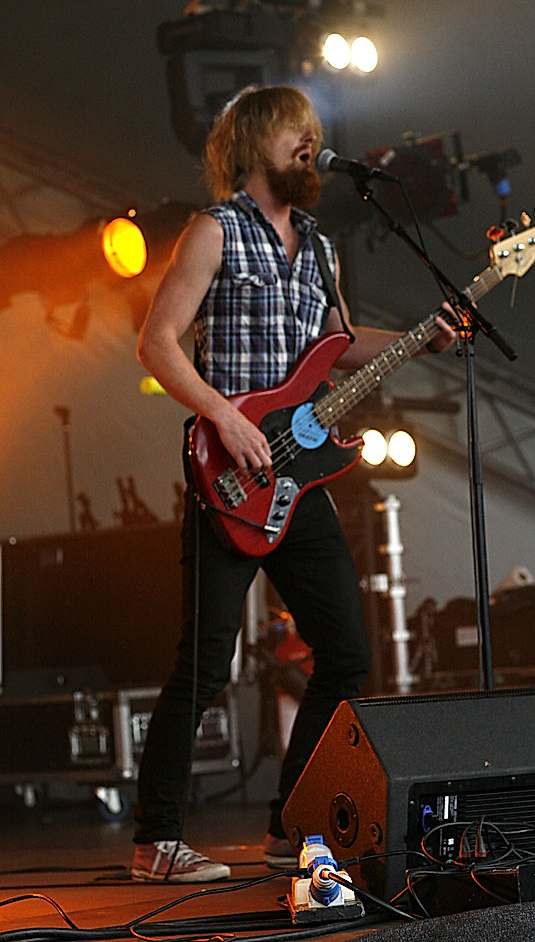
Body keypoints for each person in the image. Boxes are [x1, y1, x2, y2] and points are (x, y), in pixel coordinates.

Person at [131, 84, 459, 882]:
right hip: (229, 468)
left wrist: (423, 338)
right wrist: (225, 417)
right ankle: (155, 842)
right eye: (293, 131)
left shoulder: (316, 243)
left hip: (300, 479)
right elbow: (157, 342)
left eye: (315, 131)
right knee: (206, 664)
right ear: (250, 143)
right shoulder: (214, 232)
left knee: (347, 653)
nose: (310, 140)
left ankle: (290, 824)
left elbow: (338, 344)